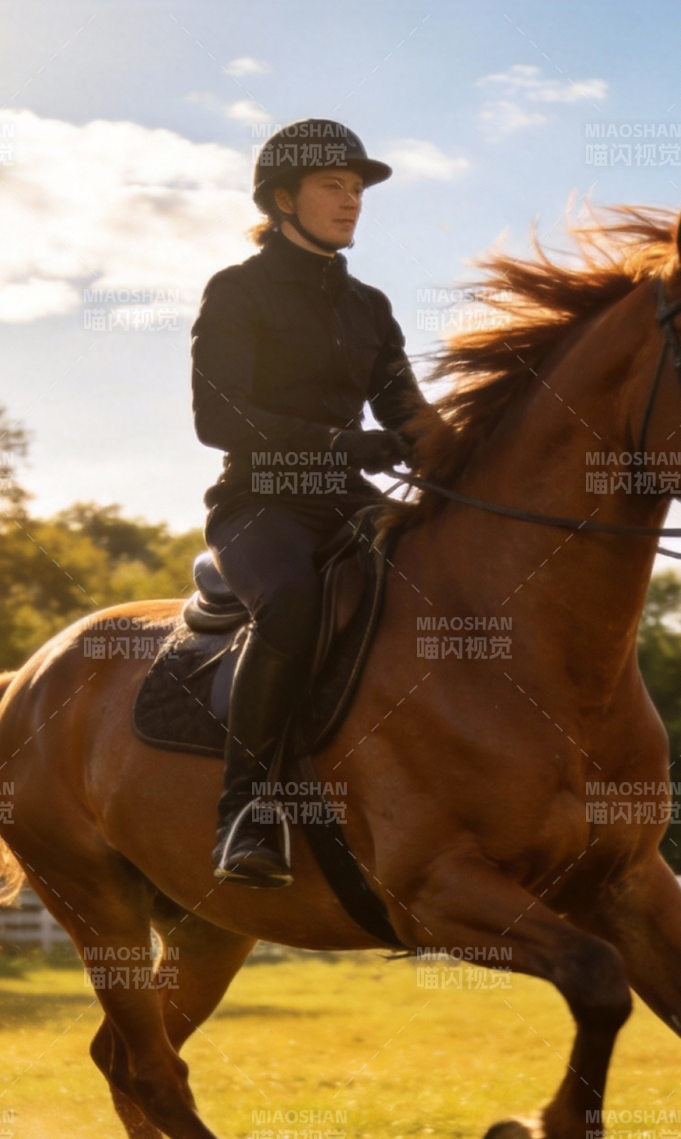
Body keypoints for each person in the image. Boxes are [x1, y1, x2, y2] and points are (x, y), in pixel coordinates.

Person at [190, 119, 433, 888]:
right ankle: (246, 813)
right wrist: (334, 442)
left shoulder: (370, 307)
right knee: (292, 603)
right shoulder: (237, 290)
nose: (352, 200)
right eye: (335, 185)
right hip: (258, 505)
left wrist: (497, 457)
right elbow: (217, 417)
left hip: (348, 503)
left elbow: (410, 417)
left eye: (358, 189)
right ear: (284, 198)